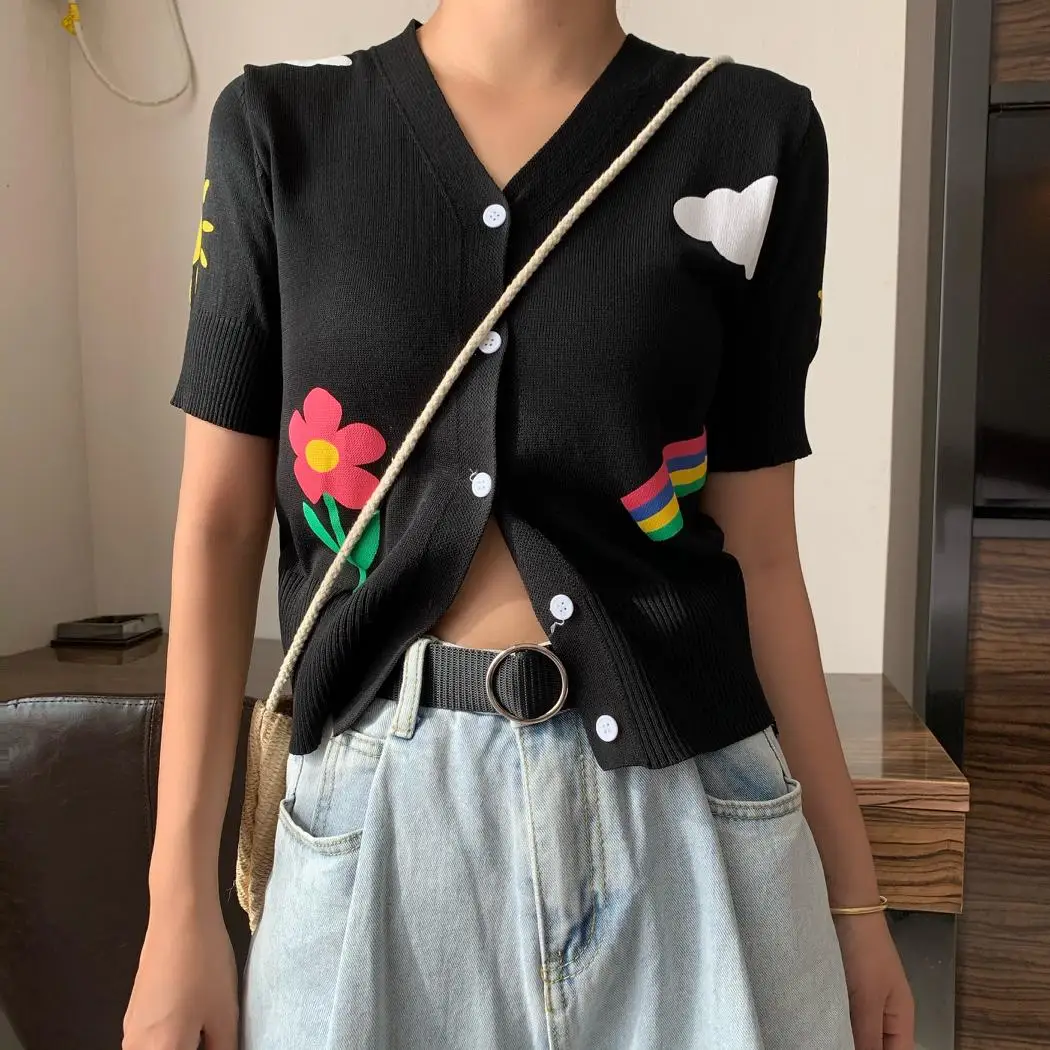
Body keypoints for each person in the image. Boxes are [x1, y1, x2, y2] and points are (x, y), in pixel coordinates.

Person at [124, 2, 915, 1048]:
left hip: (692, 826)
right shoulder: (282, 127)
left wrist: (856, 902)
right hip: (376, 829)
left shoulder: (752, 134)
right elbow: (220, 529)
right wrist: (177, 907)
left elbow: (763, 555)